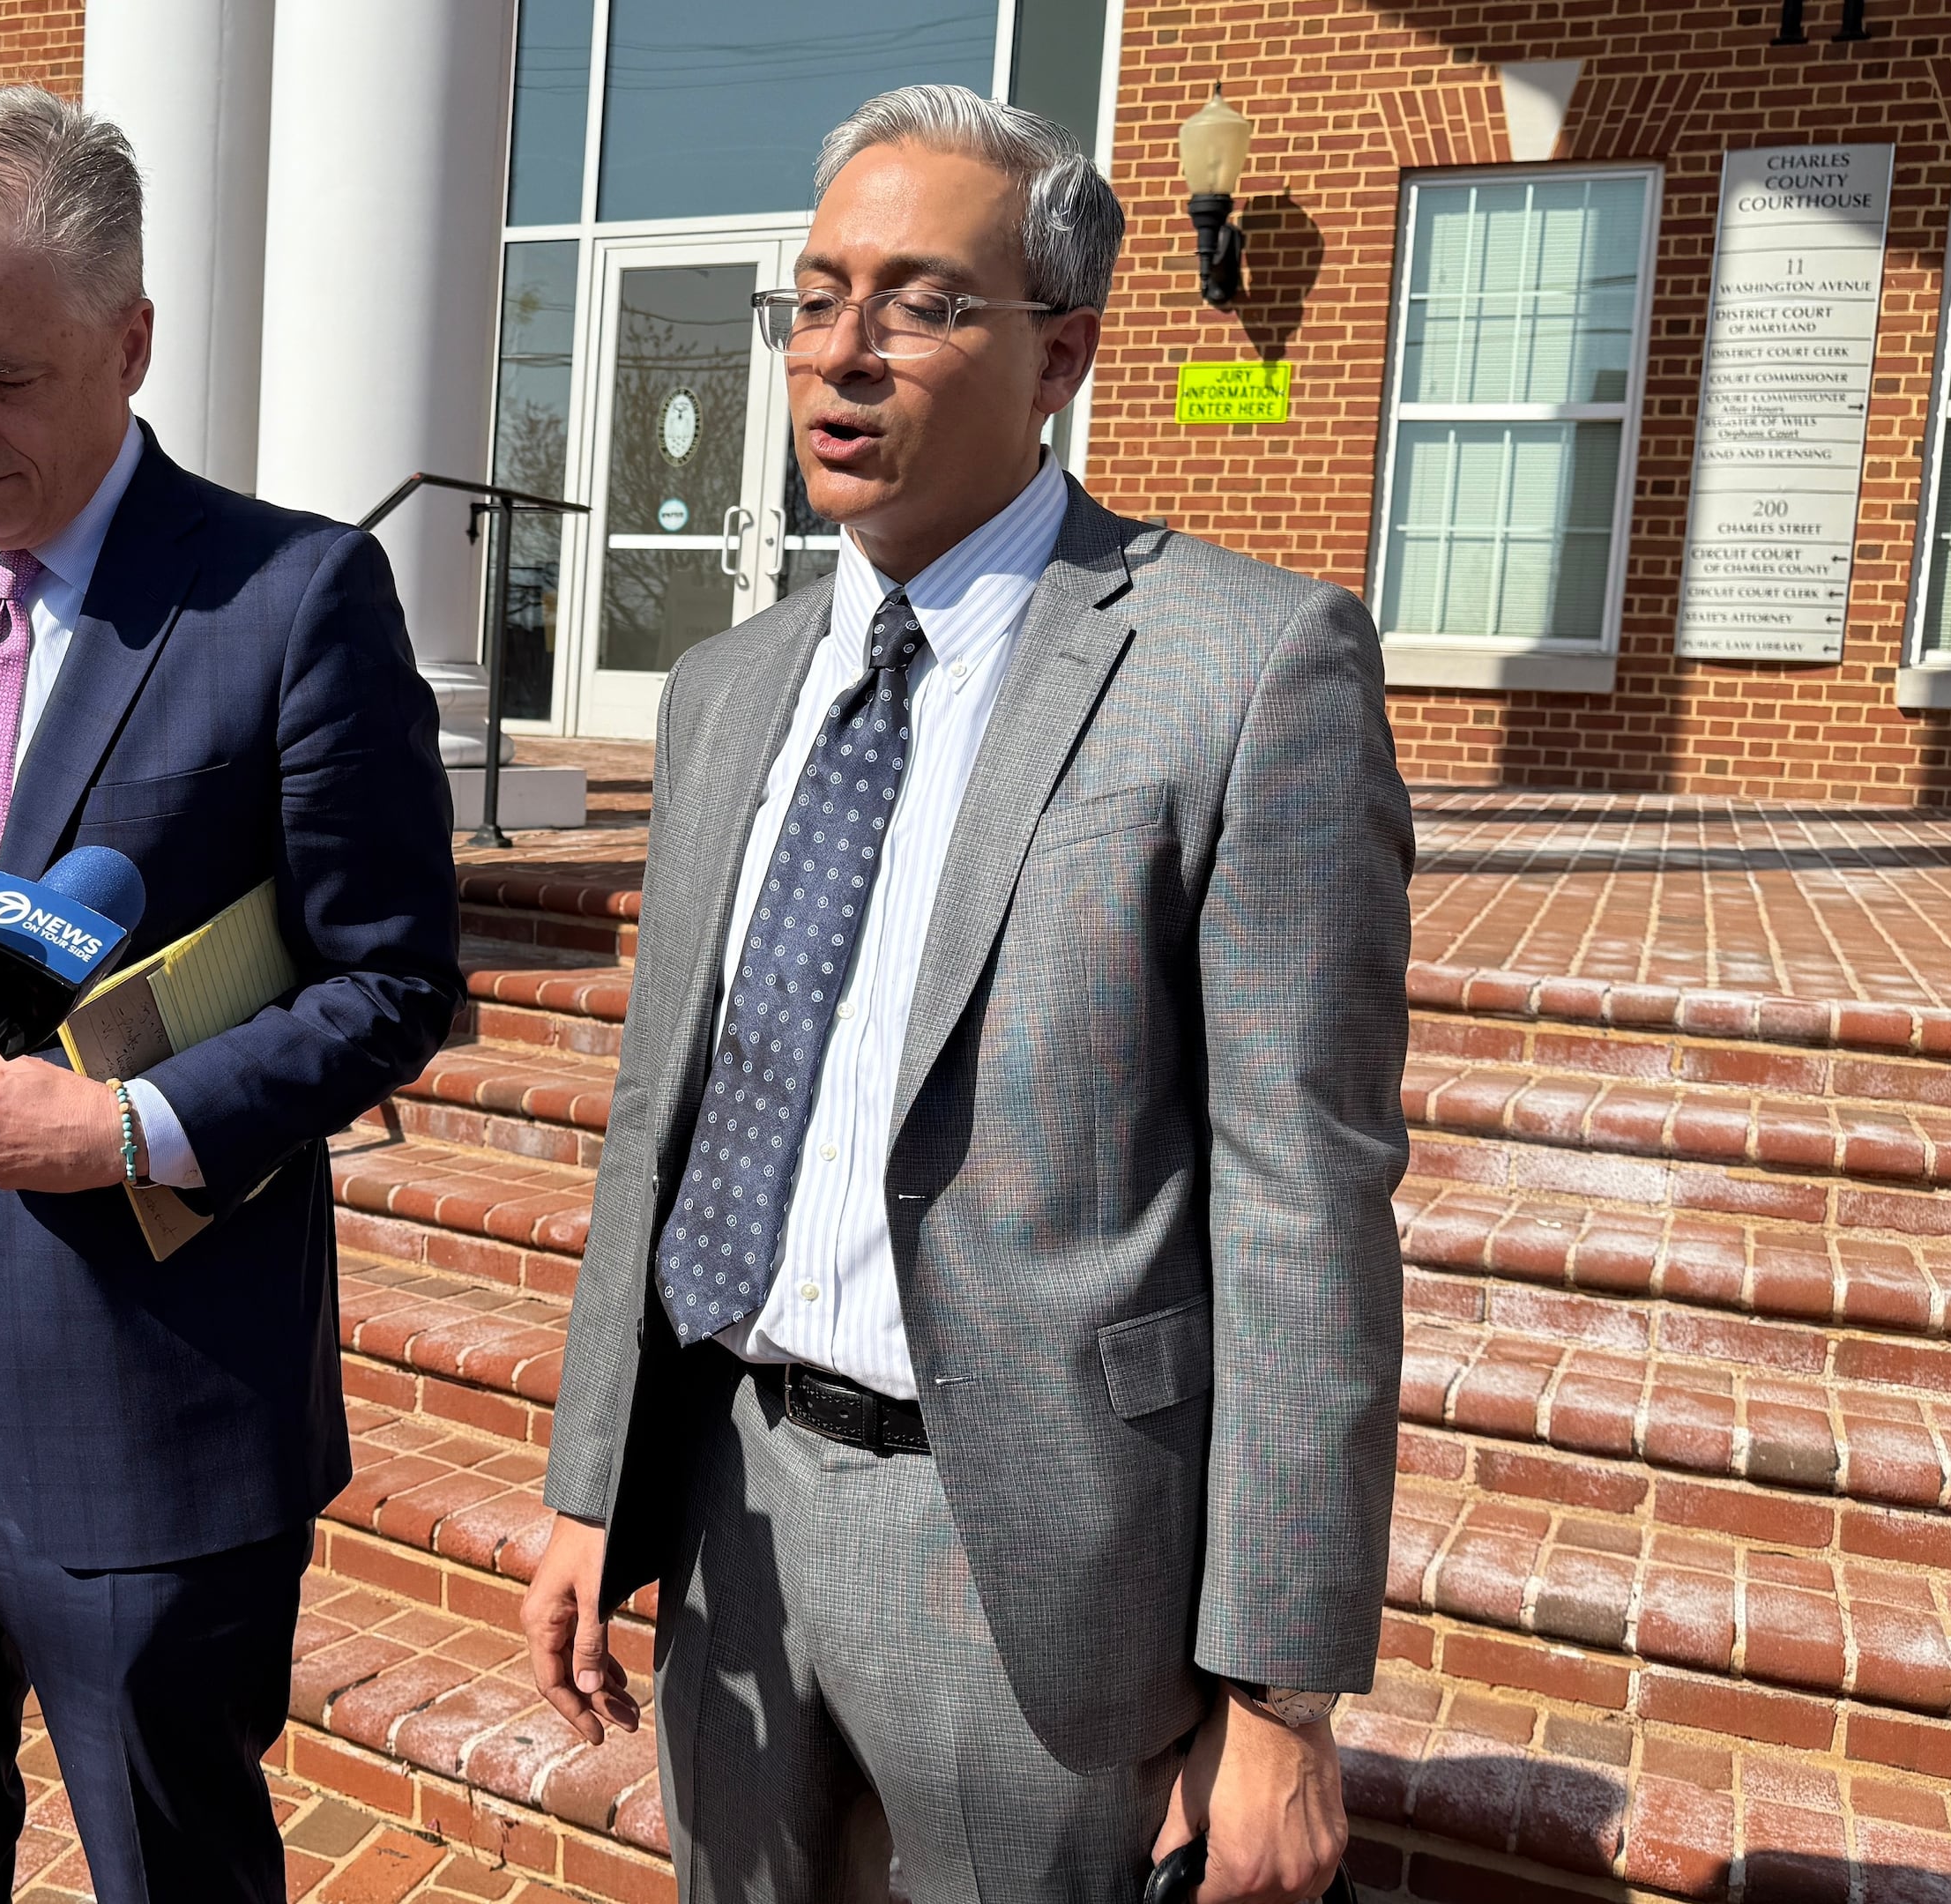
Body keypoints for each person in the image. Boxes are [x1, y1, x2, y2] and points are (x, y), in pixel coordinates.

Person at [517, 86, 1410, 1904]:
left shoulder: (1245, 668)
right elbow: (660, 1120)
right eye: (815, 300)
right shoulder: (725, 690)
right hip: (733, 1502)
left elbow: (1303, 1206)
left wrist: (1282, 1695)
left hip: (1038, 1559)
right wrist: (588, 1477)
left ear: (1060, 353)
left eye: (920, 304)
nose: (842, 354)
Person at [0, 87, 461, 1902]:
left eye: (3, 379)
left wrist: (131, 1122)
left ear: (130, 344)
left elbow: (394, 978)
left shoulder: (293, 597)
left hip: (152, 1400)